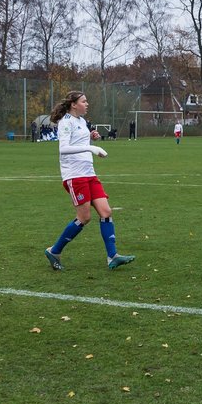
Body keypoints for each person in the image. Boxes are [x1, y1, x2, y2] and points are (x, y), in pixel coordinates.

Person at [43, 91, 135, 271]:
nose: (87, 104)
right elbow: (64, 149)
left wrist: (91, 136)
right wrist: (91, 148)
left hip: (89, 174)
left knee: (106, 212)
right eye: (84, 101)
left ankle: (112, 256)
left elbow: (79, 141)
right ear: (73, 104)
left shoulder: (82, 122)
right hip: (75, 176)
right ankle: (54, 251)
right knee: (84, 218)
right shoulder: (66, 123)